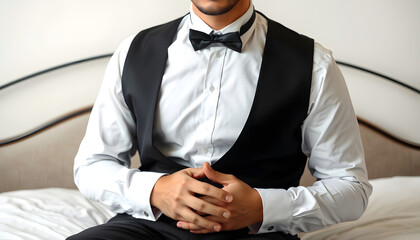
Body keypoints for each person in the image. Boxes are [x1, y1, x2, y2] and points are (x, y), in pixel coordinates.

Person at [68, 0, 372, 239]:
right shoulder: (131, 53)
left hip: (256, 234)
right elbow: (92, 165)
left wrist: (261, 207)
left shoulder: (314, 65)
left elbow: (351, 187)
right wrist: (155, 191)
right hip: (148, 227)